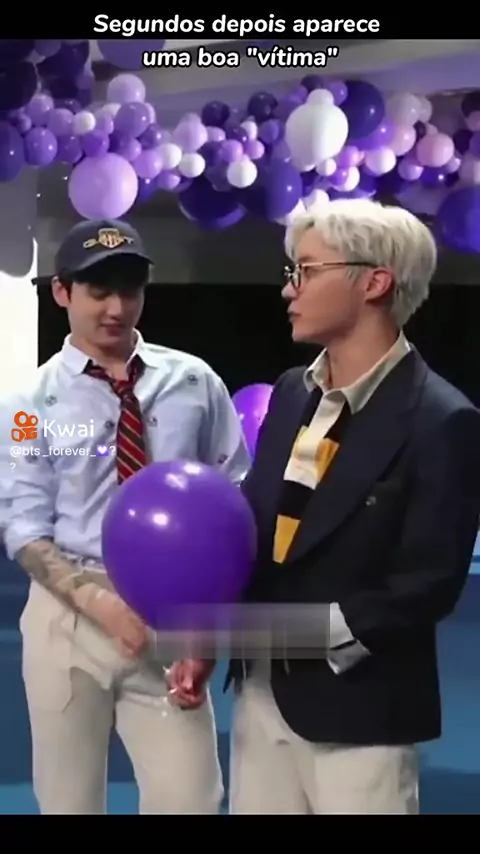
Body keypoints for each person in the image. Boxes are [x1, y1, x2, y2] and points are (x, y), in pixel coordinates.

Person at [172, 199, 480, 814]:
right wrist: (211, 632)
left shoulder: (442, 420)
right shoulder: (293, 393)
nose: (290, 289)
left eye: (307, 271)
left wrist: (283, 633)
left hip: (360, 717)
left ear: (374, 282)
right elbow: (260, 531)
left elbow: (424, 588)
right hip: (260, 700)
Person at [4, 219, 250, 815]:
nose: (116, 308)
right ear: (61, 291)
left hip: (175, 614)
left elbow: (233, 499)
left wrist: (205, 626)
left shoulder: (194, 381)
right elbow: (24, 528)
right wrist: (102, 605)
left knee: (191, 800)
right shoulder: (27, 405)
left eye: (130, 290)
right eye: (98, 291)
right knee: (68, 803)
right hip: (69, 618)